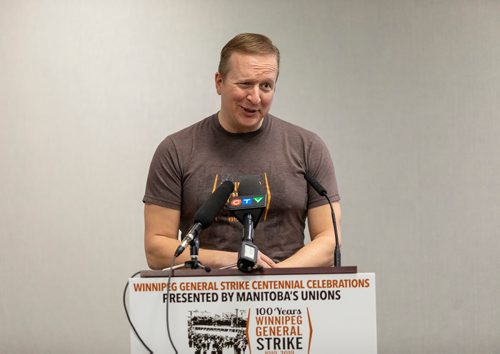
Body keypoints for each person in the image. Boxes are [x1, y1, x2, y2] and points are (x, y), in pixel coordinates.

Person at [143, 33, 341, 270]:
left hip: (288, 298)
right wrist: (229, 261)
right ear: (219, 82)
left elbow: (329, 241)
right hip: (204, 299)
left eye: (265, 86)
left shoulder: (307, 147)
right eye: (245, 84)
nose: (255, 97)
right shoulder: (176, 150)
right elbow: (157, 249)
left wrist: (273, 278)